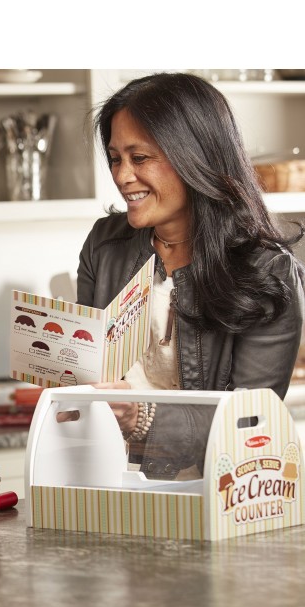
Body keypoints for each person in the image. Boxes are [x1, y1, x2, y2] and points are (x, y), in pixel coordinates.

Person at [77, 72, 305, 480]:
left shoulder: (268, 271)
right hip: (109, 475)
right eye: (115, 158)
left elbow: (247, 423)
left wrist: (140, 418)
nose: (122, 176)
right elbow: (83, 369)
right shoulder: (103, 244)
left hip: (215, 488)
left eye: (140, 157)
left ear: (194, 157)